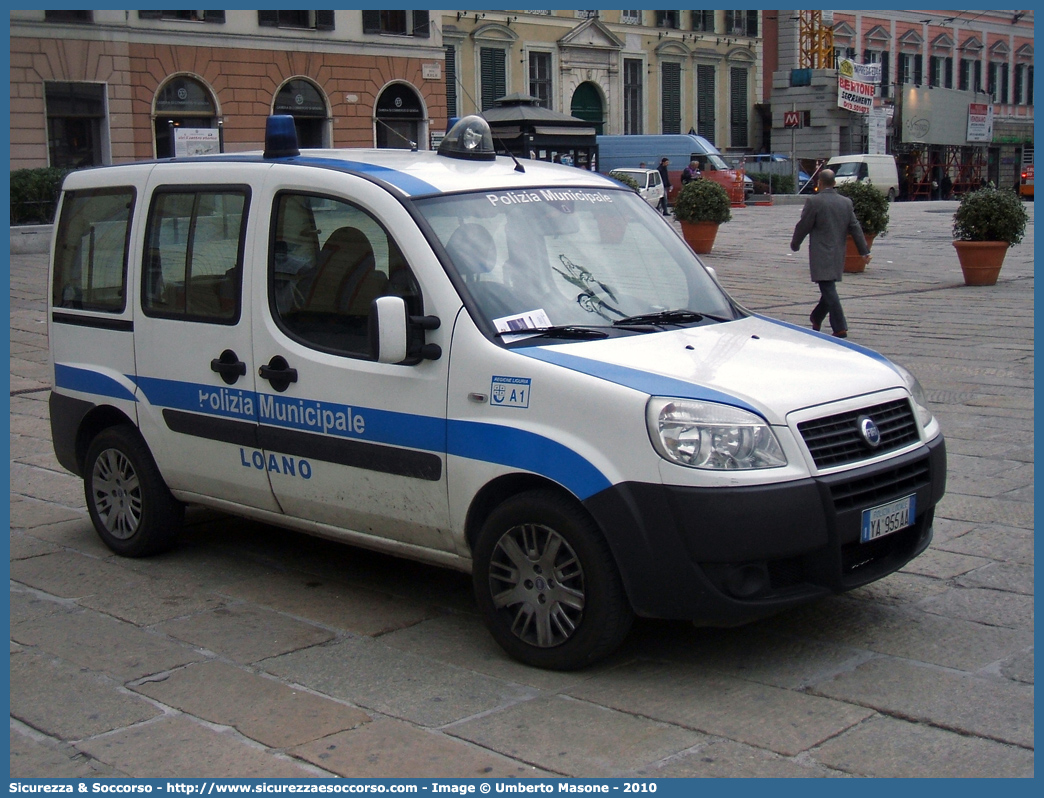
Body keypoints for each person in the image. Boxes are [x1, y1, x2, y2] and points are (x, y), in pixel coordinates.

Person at [790, 168, 869, 339]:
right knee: (828, 287)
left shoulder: (814, 202)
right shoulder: (846, 203)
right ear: (834, 183)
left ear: (819, 183)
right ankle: (817, 317)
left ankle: (839, 327)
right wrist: (864, 251)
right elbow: (855, 227)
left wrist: (795, 244)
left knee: (828, 289)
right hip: (838, 252)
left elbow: (804, 225)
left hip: (820, 252)